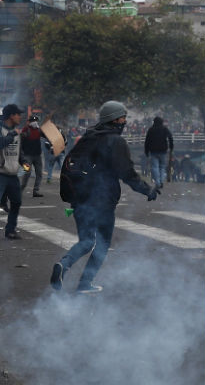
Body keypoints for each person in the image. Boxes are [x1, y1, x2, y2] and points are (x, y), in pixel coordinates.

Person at [51, 101, 159, 294]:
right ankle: (84, 284)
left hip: (80, 198)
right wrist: (147, 190)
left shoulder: (88, 137)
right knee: (102, 244)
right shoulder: (115, 141)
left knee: (85, 240)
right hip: (101, 200)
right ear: (114, 119)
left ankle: (63, 264)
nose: (125, 121)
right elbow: (127, 173)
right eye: (123, 117)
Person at [0, 104, 27, 244]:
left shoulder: (15, 131)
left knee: (16, 202)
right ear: (11, 116)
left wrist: (24, 162)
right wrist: (13, 134)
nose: (20, 117)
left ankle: (11, 230)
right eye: (18, 114)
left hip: (12, 173)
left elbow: (19, 150)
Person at [145, 116, 174, 188]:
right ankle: (161, 181)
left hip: (153, 151)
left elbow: (147, 141)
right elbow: (170, 137)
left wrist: (146, 150)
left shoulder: (151, 129)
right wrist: (171, 146)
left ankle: (157, 182)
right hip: (163, 150)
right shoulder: (164, 129)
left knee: (155, 167)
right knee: (162, 167)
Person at [19, 115, 44, 197]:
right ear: (29, 122)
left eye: (36, 121)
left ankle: (36, 191)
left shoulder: (39, 130)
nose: (35, 122)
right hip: (27, 156)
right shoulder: (26, 129)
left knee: (39, 173)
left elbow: (47, 136)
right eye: (33, 121)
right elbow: (20, 139)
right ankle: (20, 190)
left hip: (37, 156)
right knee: (27, 172)